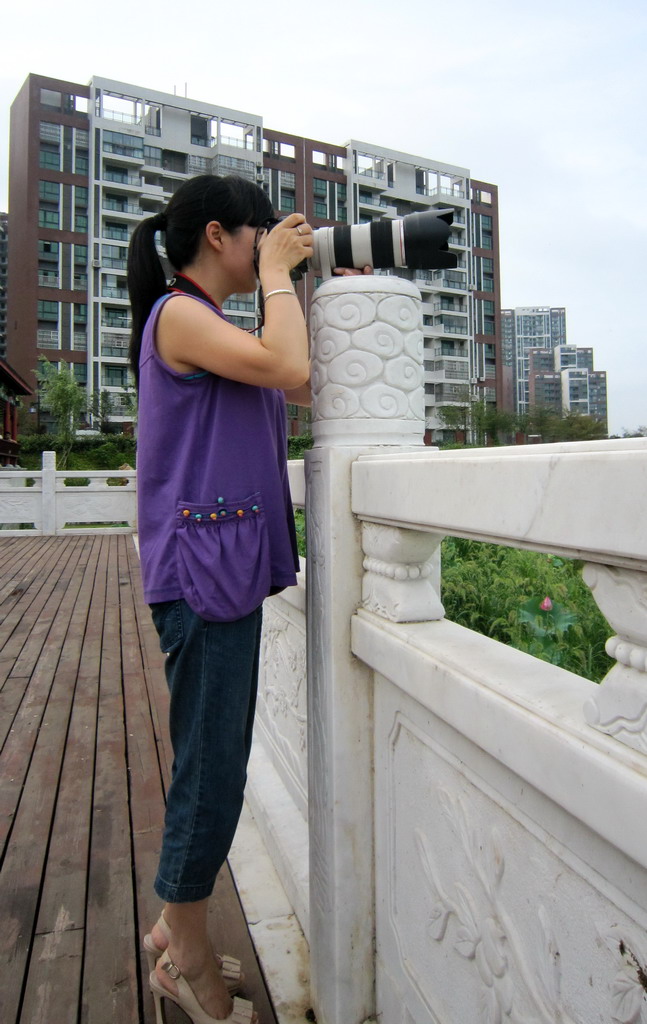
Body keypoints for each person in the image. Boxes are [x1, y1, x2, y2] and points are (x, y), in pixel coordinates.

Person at [127, 173, 314, 1024]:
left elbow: (300, 380)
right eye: (258, 234)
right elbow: (285, 365)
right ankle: (184, 957)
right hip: (204, 579)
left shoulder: (214, 325)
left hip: (221, 569)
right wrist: (278, 278)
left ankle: (177, 925)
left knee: (219, 764)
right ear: (217, 234)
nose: (265, 244)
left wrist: (307, 290)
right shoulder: (178, 317)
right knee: (210, 776)